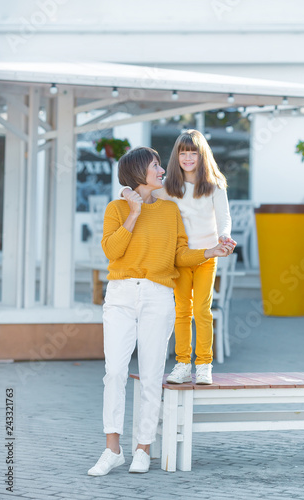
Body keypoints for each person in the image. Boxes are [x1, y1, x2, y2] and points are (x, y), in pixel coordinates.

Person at [88, 146, 235, 477]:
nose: (162, 170)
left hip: (157, 295)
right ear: (139, 172)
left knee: (153, 374)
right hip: (121, 295)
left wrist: (210, 251)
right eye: (155, 165)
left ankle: (143, 448)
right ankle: (112, 449)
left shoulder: (170, 211)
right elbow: (112, 250)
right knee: (114, 372)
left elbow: (179, 254)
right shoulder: (116, 208)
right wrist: (133, 212)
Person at [121, 131, 236, 386]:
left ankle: (204, 365)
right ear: (177, 156)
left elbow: (223, 217)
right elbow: (145, 193)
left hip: (207, 256)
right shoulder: (169, 187)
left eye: (193, 152)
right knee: (182, 311)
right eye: (183, 152)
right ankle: (183, 364)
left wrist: (224, 237)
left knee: (202, 311)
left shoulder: (215, 184)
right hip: (180, 259)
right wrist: (127, 192)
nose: (187, 157)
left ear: (201, 154)